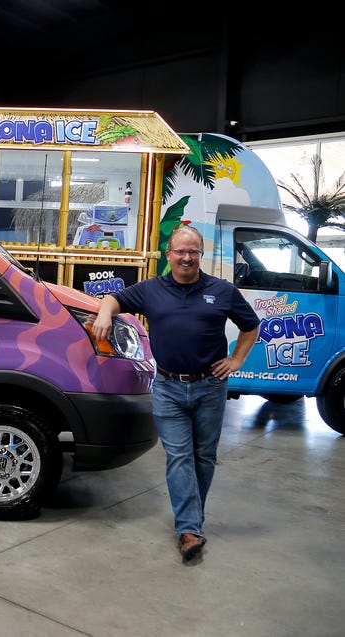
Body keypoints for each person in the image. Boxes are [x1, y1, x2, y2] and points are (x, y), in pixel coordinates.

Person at [92, 225, 260, 562]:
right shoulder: (152, 290)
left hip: (211, 385)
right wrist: (103, 313)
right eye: (180, 251)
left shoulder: (222, 291)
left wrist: (238, 358)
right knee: (180, 456)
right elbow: (114, 298)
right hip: (168, 387)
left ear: (200, 255)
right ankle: (188, 529)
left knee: (203, 456)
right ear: (169, 255)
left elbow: (251, 325)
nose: (186, 257)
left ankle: (191, 520)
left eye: (193, 251)